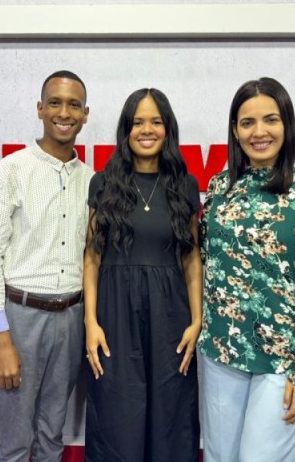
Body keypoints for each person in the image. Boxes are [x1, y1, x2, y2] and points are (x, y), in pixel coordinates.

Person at [198, 77, 295, 462]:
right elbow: (205, 262)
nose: (259, 132)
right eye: (247, 122)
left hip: (283, 361)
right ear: (235, 130)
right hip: (220, 351)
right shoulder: (219, 188)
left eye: (270, 120)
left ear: (287, 125)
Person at [0, 70, 93, 462]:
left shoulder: (92, 180)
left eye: (73, 105)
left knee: (52, 434)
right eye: (55, 103)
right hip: (19, 318)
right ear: (40, 109)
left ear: (86, 114)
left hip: (71, 318)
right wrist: (0, 337)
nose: (64, 113)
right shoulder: (11, 170)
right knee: (16, 441)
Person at [84, 88, 202, 462]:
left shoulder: (185, 185)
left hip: (171, 314)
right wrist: (91, 322)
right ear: (126, 130)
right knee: (117, 413)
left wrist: (197, 320)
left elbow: (192, 258)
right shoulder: (103, 183)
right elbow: (92, 257)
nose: (146, 130)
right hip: (114, 313)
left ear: (168, 129)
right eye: (138, 122)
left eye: (155, 122)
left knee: (170, 413)